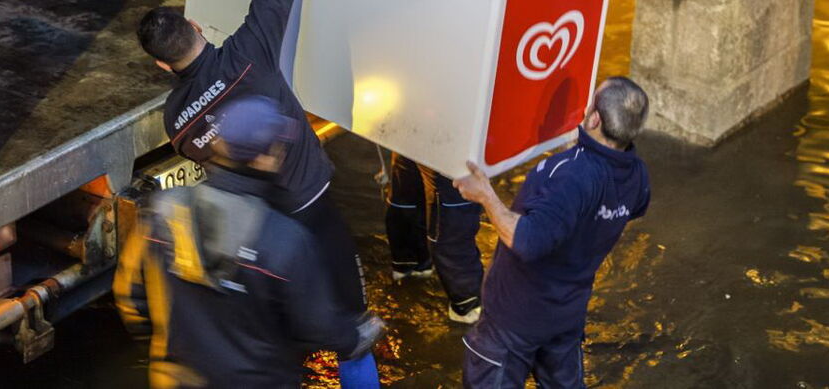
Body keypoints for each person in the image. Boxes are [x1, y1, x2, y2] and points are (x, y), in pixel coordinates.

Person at [135, 0, 378, 385]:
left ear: (161, 67)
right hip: (313, 208)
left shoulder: (178, 124)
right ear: (196, 27)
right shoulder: (249, 51)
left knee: (273, 336)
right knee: (349, 327)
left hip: (255, 234)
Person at [114, 95, 384, 388]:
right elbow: (315, 326)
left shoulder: (162, 212)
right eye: (278, 145)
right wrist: (356, 336)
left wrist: (171, 354)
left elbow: (131, 298)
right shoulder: (282, 239)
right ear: (263, 158)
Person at [453, 77, 651, 388]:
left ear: (595, 118)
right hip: (566, 315)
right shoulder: (636, 175)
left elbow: (528, 242)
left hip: (515, 317)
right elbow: (633, 206)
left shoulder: (571, 174)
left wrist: (485, 196)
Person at [384, 152, 483, 323]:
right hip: (447, 135)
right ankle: (467, 303)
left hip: (407, 128)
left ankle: (411, 262)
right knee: (451, 196)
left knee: (407, 172)